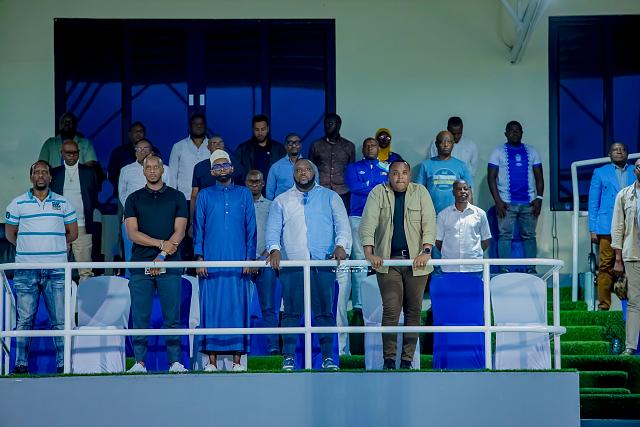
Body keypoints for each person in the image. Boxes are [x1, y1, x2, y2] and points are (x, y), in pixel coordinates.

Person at [265, 158, 351, 371]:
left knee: (324, 313)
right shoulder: (281, 200)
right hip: (293, 264)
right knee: (291, 313)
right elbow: (272, 229)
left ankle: (327, 358)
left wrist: (341, 246)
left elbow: (342, 225)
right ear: (293, 174)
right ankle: (288, 357)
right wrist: (274, 249)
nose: (302, 172)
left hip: (322, 263)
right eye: (298, 170)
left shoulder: (330, 197)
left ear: (314, 172)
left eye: (307, 169)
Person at [359, 160, 436, 370]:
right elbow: (368, 222)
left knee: (414, 311)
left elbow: (429, 222)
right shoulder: (378, 193)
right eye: (395, 173)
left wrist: (426, 251)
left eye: (404, 173)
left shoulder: (421, 192)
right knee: (391, 310)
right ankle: (389, 361)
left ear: (409, 175)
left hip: (417, 263)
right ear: (389, 176)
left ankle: (407, 361)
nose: (399, 176)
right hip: (388, 262)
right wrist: (369, 253)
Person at [5, 160, 78, 374]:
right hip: (26, 270)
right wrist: (30, 247)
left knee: (60, 321)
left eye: (44, 172)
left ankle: (63, 365)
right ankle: (20, 365)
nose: (40, 175)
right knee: (25, 320)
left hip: (56, 270)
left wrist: (54, 243)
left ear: (50, 177)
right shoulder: (17, 203)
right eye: (36, 172)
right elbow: (10, 235)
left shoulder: (63, 203)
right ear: (31, 177)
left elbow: (73, 233)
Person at [124, 154, 188, 373]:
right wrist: (161, 244)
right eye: (148, 167)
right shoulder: (133, 199)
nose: (152, 170)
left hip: (169, 264)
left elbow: (180, 231)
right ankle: (139, 362)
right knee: (140, 317)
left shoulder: (177, 197)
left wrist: (161, 256)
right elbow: (132, 233)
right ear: (143, 171)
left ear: (163, 170)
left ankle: (175, 362)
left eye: (156, 167)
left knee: (172, 317)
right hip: (140, 264)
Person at [194, 150, 256, 371]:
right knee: (211, 307)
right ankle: (211, 362)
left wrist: (249, 259)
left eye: (225, 165)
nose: (221, 170)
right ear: (212, 172)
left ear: (232, 168)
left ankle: (237, 361)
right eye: (217, 167)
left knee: (238, 306)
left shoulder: (244, 194)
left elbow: (251, 228)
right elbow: (198, 227)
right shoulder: (204, 195)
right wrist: (199, 257)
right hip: (211, 261)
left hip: (238, 261)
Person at [343, 137, 389, 341]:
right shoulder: (353, 167)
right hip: (358, 216)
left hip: (381, 216)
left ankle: (383, 298)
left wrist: (369, 186)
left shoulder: (385, 167)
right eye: (367, 145)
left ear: (379, 148)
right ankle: (359, 303)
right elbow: (354, 186)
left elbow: (389, 187)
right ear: (362, 149)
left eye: (374, 145)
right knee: (360, 259)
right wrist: (377, 186)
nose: (371, 148)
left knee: (383, 257)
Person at [487, 120, 544, 274]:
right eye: (511, 130)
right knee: (504, 236)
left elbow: (539, 177)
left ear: (522, 132)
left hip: (529, 202)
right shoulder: (498, 151)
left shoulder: (532, 151)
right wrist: (498, 201)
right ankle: (504, 270)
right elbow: (491, 178)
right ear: (506, 133)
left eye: (517, 130)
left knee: (529, 236)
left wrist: (539, 198)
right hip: (506, 203)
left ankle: (531, 269)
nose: (514, 133)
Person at [588, 142, 635, 311]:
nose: (619, 152)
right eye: (615, 149)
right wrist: (593, 228)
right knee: (605, 265)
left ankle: (633, 305)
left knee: (632, 265)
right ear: (609, 154)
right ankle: (604, 306)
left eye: (622, 149)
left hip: (631, 227)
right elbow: (593, 202)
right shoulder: (600, 172)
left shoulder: (635, 171)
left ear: (627, 154)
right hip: (606, 226)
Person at [118, 138, 174, 266]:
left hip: (159, 218)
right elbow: (122, 194)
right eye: (139, 149)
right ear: (135, 152)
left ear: (152, 151)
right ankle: (131, 277)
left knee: (158, 253)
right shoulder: (126, 170)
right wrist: (133, 210)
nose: (142, 151)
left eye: (145, 149)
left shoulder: (165, 169)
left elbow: (170, 193)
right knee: (130, 256)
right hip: (132, 218)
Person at [50, 140, 100, 281]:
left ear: (78, 153)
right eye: (68, 153)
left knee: (85, 271)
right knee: (58, 271)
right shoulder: (55, 173)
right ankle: (61, 296)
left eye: (75, 152)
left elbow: (93, 196)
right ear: (62, 153)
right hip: (59, 227)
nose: (71, 155)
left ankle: (85, 296)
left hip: (82, 225)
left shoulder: (89, 172)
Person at [245, 169, 279, 354]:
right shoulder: (239, 205)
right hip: (243, 262)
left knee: (268, 306)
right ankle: (239, 347)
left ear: (263, 183)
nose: (254, 184)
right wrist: (248, 259)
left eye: (257, 181)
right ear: (245, 183)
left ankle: (273, 347)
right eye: (250, 181)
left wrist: (262, 257)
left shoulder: (272, 206)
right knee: (239, 306)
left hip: (265, 261)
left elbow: (275, 233)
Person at [611, 158, 640, 356]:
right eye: (639, 167)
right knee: (634, 301)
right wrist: (618, 259)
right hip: (633, 254)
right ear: (635, 170)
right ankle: (630, 346)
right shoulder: (624, 195)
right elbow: (618, 227)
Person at [189, 134, 244, 234]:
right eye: (214, 143)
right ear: (208, 147)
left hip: (231, 213)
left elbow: (242, 193)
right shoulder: (199, 167)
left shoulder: (235, 164)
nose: (217, 145)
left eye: (220, 143)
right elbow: (194, 196)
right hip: (207, 213)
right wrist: (192, 223)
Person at [436, 180, 491, 274]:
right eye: (459, 189)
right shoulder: (443, 215)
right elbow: (438, 242)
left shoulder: (480, 214)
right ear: (453, 192)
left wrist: (473, 253)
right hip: (450, 267)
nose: (463, 191)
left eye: (465, 189)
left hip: (474, 267)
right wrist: (451, 254)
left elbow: (486, 240)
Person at [416, 130, 474, 214]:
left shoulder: (461, 166)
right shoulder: (426, 165)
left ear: (453, 144)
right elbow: (418, 191)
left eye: (449, 142)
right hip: (432, 215)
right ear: (436, 144)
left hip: (456, 215)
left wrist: (468, 214)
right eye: (442, 142)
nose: (446, 145)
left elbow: (468, 192)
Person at [309, 113, 355, 211]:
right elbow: (310, 168)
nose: (327, 126)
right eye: (325, 123)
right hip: (321, 190)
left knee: (342, 218)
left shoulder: (349, 146)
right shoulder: (316, 145)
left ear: (338, 125)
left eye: (330, 123)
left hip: (342, 191)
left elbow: (351, 170)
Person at [266, 132, 317, 200]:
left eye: (297, 142)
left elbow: (316, 189)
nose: (294, 145)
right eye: (290, 143)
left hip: (305, 204)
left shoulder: (311, 166)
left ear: (301, 145)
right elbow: (269, 193)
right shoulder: (276, 167)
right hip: (282, 205)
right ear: (285, 146)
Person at [236, 114, 286, 183]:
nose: (260, 133)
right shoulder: (243, 149)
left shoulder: (279, 149)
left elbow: (285, 171)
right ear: (253, 129)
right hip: (250, 188)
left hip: (273, 188)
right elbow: (237, 172)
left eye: (263, 129)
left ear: (268, 129)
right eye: (257, 130)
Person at [108, 121, 152, 199]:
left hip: (150, 194)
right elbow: (112, 174)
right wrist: (121, 188)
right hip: (125, 194)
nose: (138, 133)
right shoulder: (118, 152)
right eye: (135, 131)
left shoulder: (154, 151)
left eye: (140, 131)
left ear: (144, 134)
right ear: (129, 134)